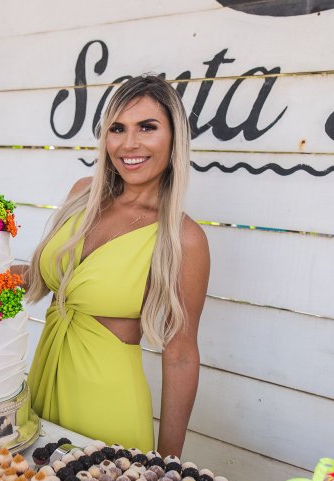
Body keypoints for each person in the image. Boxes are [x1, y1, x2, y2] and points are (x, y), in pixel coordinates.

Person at [21, 74, 210, 457]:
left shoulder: (183, 238)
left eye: (147, 128)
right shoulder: (82, 194)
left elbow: (181, 355)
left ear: (174, 138)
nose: (129, 144)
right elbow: (33, 278)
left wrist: (168, 463)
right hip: (40, 385)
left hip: (107, 409)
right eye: (117, 129)